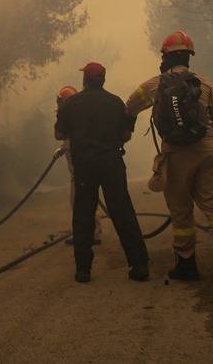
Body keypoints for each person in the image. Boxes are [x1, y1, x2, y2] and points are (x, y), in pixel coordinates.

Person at [125, 30, 213, 293]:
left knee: (181, 210)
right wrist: (207, 139)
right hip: (207, 151)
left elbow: (129, 105)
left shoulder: (155, 84)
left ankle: (186, 264)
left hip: (176, 154)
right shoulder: (204, 84)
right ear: (189, 56)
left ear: (165, 57)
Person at [55, 62, 149, 283]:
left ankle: (83, 270)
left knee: (83, 216)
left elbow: (59, 134)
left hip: (85, 166)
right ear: (103, 80)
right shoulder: (115, 103)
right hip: (111, 164)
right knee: (123, 212)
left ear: (85, 80)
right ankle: (139, 264)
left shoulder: (72, 104)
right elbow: (125, 135)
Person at [55, 85, 103, 246]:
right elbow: (68, 139)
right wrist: (61, 149)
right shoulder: (77, 115)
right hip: (80, 170)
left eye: (60, 101)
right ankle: (91, 233)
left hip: (80, 171)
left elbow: (69, 137)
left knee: (79, 203)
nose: (58, 105)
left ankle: (87, 235)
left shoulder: (72, 116)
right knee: (85, 201)